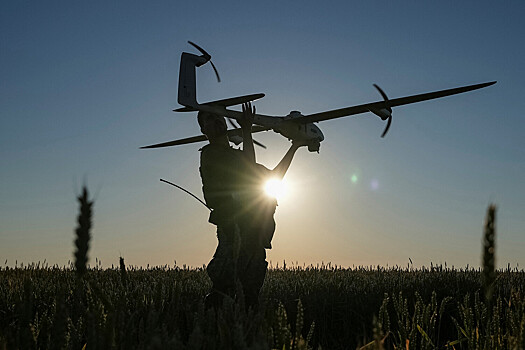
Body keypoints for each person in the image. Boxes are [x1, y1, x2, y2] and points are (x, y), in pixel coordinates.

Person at [198, 102, 307, 309]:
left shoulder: (236, 156)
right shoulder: (211, 154)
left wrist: (295, 146)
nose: (217, 122)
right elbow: (248, 165)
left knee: (249, 298)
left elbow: (274, 177)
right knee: (222, 292)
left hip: (255, 237)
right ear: (203, 130)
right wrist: (247, 132)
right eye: (209, 120)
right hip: (234, 233)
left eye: (218, 118)